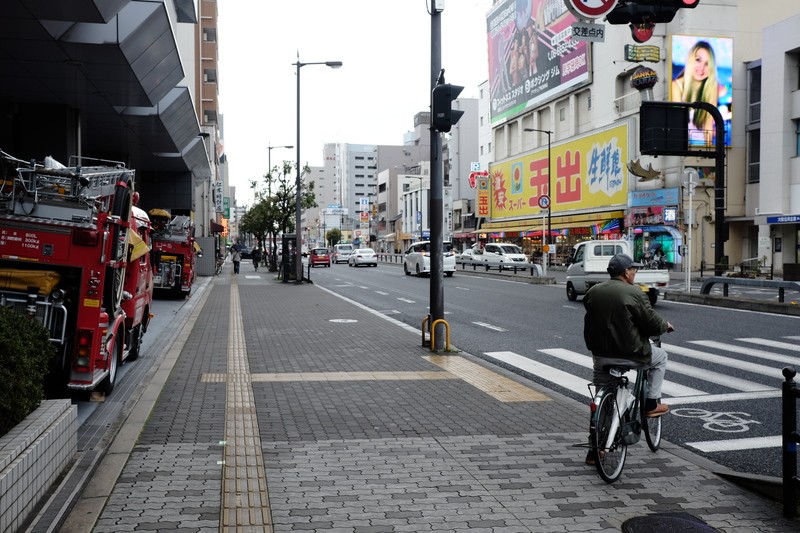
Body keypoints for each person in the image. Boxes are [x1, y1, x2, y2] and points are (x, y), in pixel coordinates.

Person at [582, 254, 674, 463]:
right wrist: (665, 325)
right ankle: (651, 403)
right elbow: (651, 322)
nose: (635, 273)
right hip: (631, 354)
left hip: (601, 355)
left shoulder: (594, 291)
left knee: (602, 399)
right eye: (634, 270)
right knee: (660, 358)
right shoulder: (634, 292)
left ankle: (594, 451)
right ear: (626, 272)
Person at [670, 40, 720, 137]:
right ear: (690, 60)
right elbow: (678, 126)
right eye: (698, 60)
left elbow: (708, 126)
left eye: (707, 64)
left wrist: (708, 150)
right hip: (682, 146)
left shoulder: (712, 88)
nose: (701, 67)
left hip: (702, 148)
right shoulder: (676, 86)